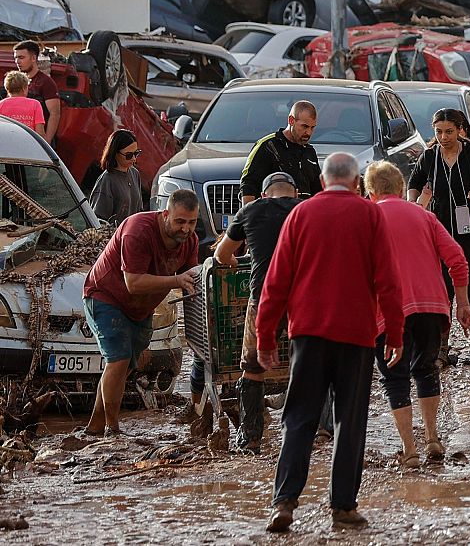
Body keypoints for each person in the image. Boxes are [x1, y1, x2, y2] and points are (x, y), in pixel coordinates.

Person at [256, 152, 404, 533]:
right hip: (356, 336)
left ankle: (284, 503)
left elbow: (275, 282)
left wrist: (265, 335)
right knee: (349, 422)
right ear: (357, 183)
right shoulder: (370, 214)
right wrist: (396, 333)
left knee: (299, 418)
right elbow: (388, 279)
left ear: (322, 182)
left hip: (307, 334)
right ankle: (342, 508)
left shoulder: (300, 215)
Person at [365, 161, 470, 468]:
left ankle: (409, 450)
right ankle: (433, 437)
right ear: (401, 189)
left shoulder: (368, 219)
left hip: (388, 312)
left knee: (394, 378)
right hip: (432, 308)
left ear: (370, 193)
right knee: (426, 369)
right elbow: (458, 260)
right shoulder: (425, 216)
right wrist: (462, 303)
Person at [81, 191, 202, 437]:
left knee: (122, 367)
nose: (185, 229)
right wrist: (176, 279)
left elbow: (194, 280)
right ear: (165, 214)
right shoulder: (138, 230)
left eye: (192, 222)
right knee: (118, 359)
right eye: (180, 222)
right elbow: (133, 283)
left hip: (140, 308)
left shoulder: (190, 241)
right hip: (105, 295)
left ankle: (94, 428)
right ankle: (112, 431)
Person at [407, 108, 470, 365]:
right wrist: (414, 203)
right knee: (442, 294)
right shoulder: (429, 157)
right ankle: (441, 351)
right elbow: (413, 182)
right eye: (438, 132)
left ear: (460, 130)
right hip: (439, 234)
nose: (444, 137)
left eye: (449, 132)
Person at [215, 172, 301, 453]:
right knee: (312, 360)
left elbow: (221, 255)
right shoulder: (305, 209)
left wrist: (233, 263)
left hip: (264, 297)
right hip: (304, 298)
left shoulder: (249, 211)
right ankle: (320, 432)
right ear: (295, 193)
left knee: (252, 367)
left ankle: (250, 437)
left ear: (264, 195)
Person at [240, 100, 322, 203]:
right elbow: (249, 185)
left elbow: (318, 191)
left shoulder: (310, 152)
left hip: (303, 215)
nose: (309, 132)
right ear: (291, 120)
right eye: (304, 126)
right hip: (273, 214)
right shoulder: (268, 146)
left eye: (312, 127)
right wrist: (248, 216)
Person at [88, 129, 143, 228]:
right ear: (115, 153)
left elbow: (139, 211)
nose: (134, 159)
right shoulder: (107, 180)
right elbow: (98, 221)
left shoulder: (135, 174)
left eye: (136, 153)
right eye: (129, 155)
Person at [12, 41, 59, 144]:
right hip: (15, 138)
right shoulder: (15, 81)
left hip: (38, 140)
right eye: (16, 58)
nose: (17, 61)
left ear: (33, 58)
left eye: (21, 57)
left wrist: (47, 140)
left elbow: (54, 114)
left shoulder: (46, 82)